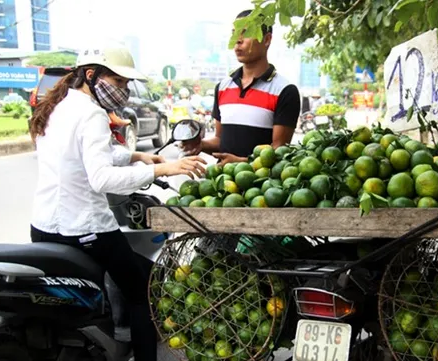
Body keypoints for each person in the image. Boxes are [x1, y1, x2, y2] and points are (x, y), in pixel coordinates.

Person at [28, 45, 206, 361]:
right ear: (92, 75)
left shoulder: (57, 107)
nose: (124, 90)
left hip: (43, 228)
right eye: (119, 81)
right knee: (143, 292)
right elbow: (102, 179)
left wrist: (135, 155)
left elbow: (84, 154)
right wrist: (161, 168)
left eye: (126, 84)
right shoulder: (93, 114)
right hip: (86, 231)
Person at [181, 9, 301, 165]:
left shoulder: (285, 90)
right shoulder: (223, 87)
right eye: (234, 33)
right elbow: (220, 140)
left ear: (267, 40)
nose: (238, 40)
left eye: (246, 32)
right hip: (223, 185)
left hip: (263, 188)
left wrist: (241, 163)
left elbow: (279, 151)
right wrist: (201, 145)